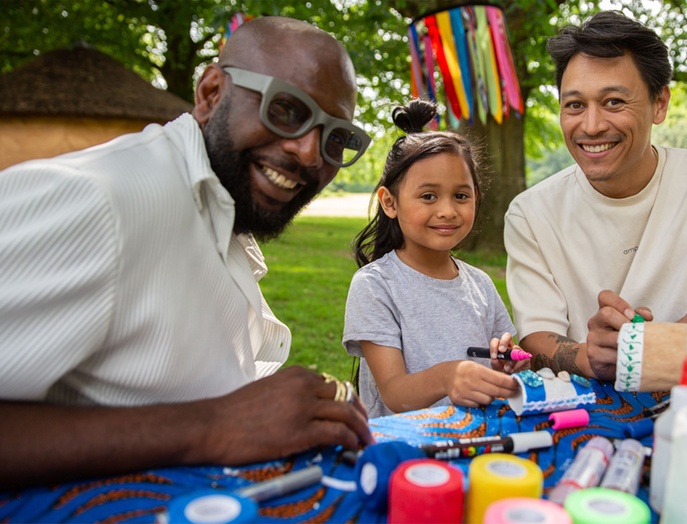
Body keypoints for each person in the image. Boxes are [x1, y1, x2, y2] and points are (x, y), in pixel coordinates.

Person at [0, 16, 374, 489]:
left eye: (337, 138)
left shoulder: (219, 209)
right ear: (212, 93)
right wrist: (212, 426)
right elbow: (216, 424)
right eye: (286, 109)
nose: (309, 152)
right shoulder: (102, 201)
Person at [504, 11, 687, 383]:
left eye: (613, 101)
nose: (592, 126)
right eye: (575, 105)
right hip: (585, 411)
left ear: (659, 103)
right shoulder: (530, 214)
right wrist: (585, 355)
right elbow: (536, 335)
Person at [343, 99, 523, 418]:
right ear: (390, 202)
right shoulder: (374, 285)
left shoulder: (480, 284)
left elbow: (509, 364)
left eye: (461, 196)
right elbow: (395, 393)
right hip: (404, 450)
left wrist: (507, 363)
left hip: (475, 437)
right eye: (428, 196)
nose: (447, 211)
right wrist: (448, 376)